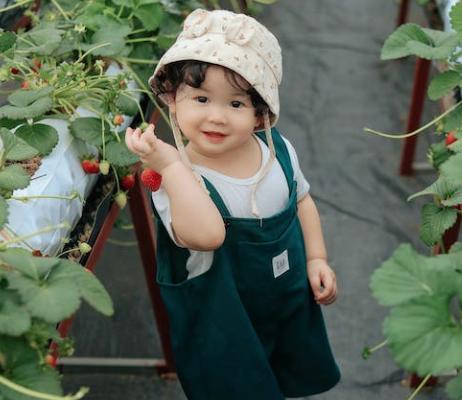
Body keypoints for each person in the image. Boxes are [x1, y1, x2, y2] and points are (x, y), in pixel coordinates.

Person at [124, 8, 341, 400]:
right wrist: (172, 166)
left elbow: (302, 202)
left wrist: (316, 258)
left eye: (236, 104)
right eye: (201, 98)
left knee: (280, 375)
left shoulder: (279, 152)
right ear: (173, 100)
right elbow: (208, 235)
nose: (217, 117)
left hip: (284, 302)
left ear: (261, 114)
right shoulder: (176, 181)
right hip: (223, 325)